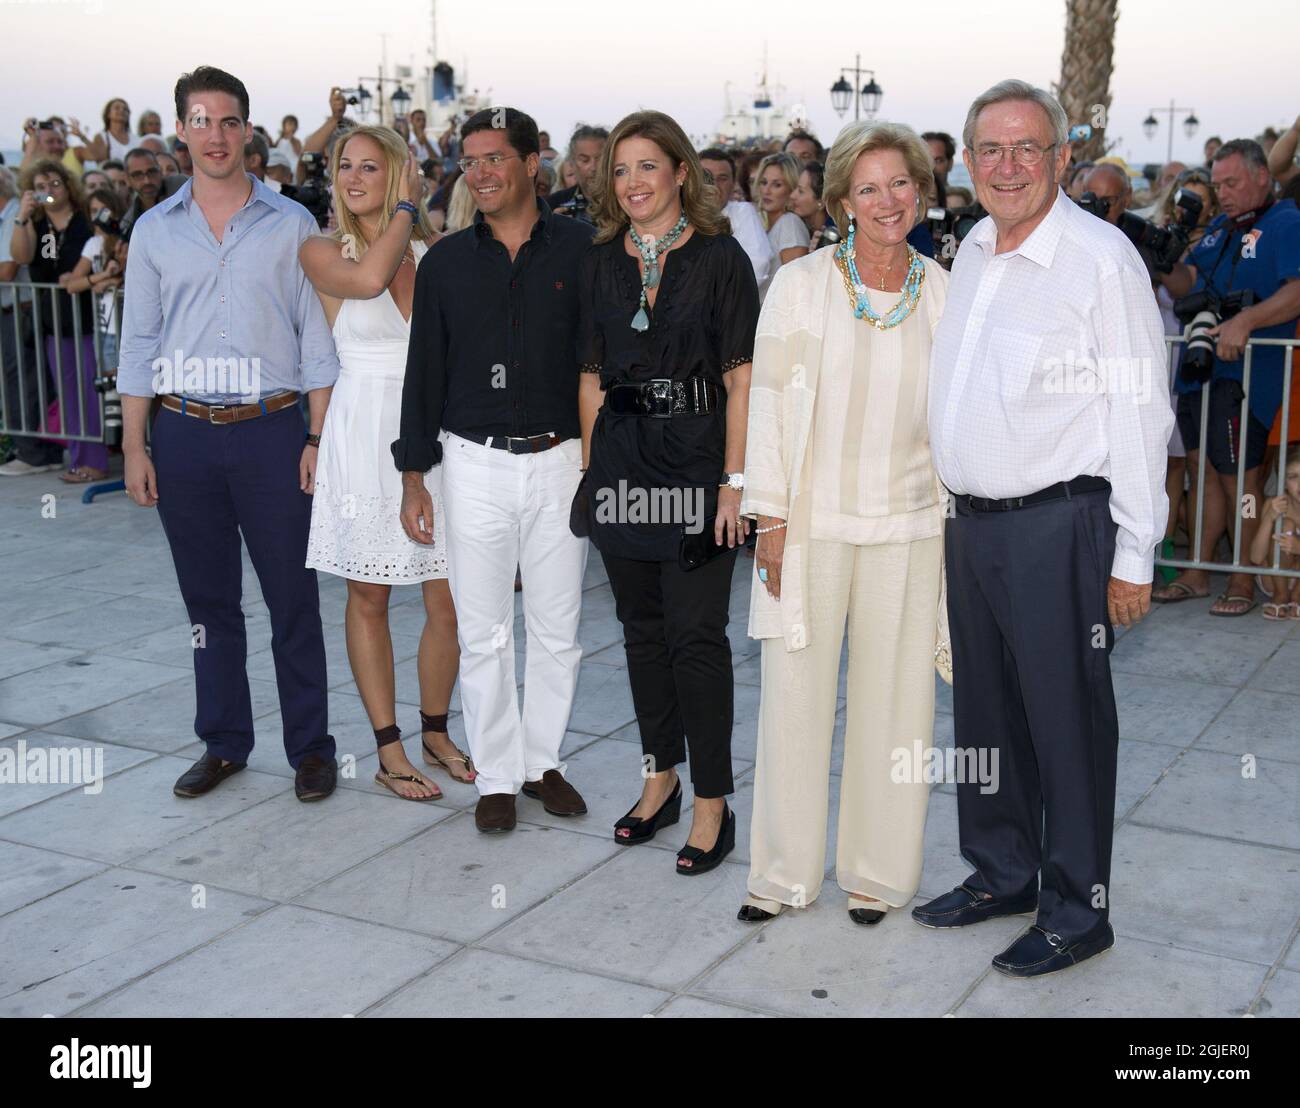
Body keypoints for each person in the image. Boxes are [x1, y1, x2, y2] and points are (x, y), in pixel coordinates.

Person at [919, 79, 1172, 978]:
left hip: (1058, 526)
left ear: (1062, 157)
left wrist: (1135, 551)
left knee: (1066, 725)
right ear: (969, 159)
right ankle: (1002, 871)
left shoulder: (1102, 259)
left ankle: (1077, 909)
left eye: (1029, 148)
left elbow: (1143, 410)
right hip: (973, 526)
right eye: (991, 149)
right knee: (985, 714)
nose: (1009, 165)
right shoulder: (975, 249)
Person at [738, 120, 949, 926]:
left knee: (897, 708)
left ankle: (878, 874)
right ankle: (784, 876)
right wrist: (771, 519)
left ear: (921, 193)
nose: (887, 200)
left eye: (900, 184)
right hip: (814, 523)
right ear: (840, 202)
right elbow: (767, 408)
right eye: (868, 187)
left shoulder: (946, 290)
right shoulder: (802, 285)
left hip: (910, 526)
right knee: (794, 700)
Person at [118, 65, 342, 803]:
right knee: (207, 606)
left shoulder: (291, 224)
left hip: (272, 431)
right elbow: (140, 342)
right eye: (200, 120)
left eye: (228, 121)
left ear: (247, 130)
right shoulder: (153, 231)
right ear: (182, 130)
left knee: (291, 598)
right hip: (184, 435)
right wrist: (134, 445)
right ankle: (223, 741)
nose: (215, 135)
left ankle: (311, 748)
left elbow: (316, 337)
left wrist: (316, 436)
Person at [394, 107, 592, 834]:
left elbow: (599, 366)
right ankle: (498, 776)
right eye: (468, 161)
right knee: (482, 631)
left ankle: (542, 763)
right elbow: (423, 375)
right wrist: (414, 475)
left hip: (562, 462)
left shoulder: (582, 251)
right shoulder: (444, 261)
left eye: (493, 159)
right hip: (470, 464)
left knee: (558, 627)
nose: (478, 173)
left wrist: (601, 467)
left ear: (532, 162)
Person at [577, 110, 758, 874]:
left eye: (648, 166)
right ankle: (661, 779)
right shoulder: (598, 262)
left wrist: (733, 483)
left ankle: (714, 801)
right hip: (622, 462)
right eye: (620, 170)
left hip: (695, 464)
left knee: (696, 637)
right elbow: (588, 375)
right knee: (641, 633)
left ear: (682, 172)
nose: (633, 182)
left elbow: (742, 377)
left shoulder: (721, 258)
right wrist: (591, 474)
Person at [300, 125, 468, 801]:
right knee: (368, 594)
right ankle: (388, 749)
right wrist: (405, 207)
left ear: (397, 173)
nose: (355, 177)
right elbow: (369, 280)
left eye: (373, 166)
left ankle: (435, 729)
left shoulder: (439, 255)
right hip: (363, 428)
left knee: (449, 596)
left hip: (436, 431)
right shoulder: (321, 250)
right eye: (347, 166)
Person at [1154, 139, 1300, 614]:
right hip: (1201, 371)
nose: (1224, 193)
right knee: (1202, 472)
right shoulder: (1218, 227)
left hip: (1248, 376)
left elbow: (1297, 290)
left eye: (1232, 183)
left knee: (1241, 481)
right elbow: (1189, 285)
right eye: (1218, 185)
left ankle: (1242, 574)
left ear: (1263, 175)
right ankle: (1199, 571)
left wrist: (1247, 322)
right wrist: (1163, 258)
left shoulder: (1286, 221)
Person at [9, 159, 105, 483]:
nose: (48, 191)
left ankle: (93, 462)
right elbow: (21, 257)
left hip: (89, 322)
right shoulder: (36, 226)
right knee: (69, 396)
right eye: (40, 186)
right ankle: (80, 459)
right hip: (54, 325)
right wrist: (22, 215)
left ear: (68, 186)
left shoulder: (84, 222)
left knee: (90, 392)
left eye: (54, 184)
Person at [0, 165, 63, 477]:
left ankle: (34, 452)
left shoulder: (13, 214)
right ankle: (32, 448)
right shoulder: (15, 214)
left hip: (22, 311)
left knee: (26, 384)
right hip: (17, 311)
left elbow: (8, 269)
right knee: (22, 382)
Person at [62, 187, 127, 376]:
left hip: (130, 328)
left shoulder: (127, 239)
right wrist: (104, 277)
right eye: (93, 210)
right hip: (105, 328)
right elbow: (72, 285)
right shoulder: (93, 243)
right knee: (110, 397)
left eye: (104, 209)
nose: (98, 216)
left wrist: (110, 282)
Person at [699, 146, 774, 290]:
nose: (713, 185)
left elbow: (758, 264)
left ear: (734, 184)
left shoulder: (744, 212)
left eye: (722, 178)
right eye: (705, 177)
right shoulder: (676, 215)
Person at [756, 152, 810, 269]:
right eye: (764, 182)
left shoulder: (790, 224)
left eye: (777, 185)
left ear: (792, 187)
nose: (766, 191)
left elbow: (795, 282)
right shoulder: (761, 222)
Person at [548, 123, 608, 223]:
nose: (593, 167)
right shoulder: (555, 203)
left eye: (600, 159)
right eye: (584, 160)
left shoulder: (626, 201)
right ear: (572, 163)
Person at [789, 159, 834, 249]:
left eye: (801, 191)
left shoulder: (833, 235)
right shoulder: (802, 227)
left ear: (821, 202)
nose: (792, 195)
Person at [922, 130, 956, 198]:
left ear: (950, 164)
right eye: (925, 160)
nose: (931, 168)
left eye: (938, 161)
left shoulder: (959, 202)